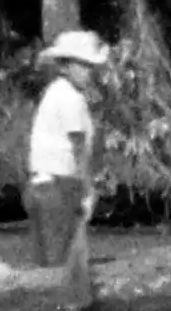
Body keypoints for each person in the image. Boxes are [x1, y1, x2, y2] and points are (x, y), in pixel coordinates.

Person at [24, 31, 108, 270]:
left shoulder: (54, 92)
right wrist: (87, 191)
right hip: (58, 189)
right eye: (83, 65)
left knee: (48, 264)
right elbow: (78, 148)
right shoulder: (71, 99)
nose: (88, 71)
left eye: (90, 66)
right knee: (62, 266)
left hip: (42, 186)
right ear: (65, 67)